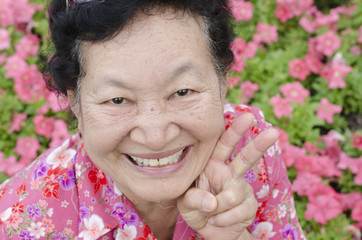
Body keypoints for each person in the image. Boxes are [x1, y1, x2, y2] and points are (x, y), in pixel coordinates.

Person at [0, 0, 306, 239]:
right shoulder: (20, 222)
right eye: (117, 100)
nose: (156, 136)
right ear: (74, 101)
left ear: (223, 78)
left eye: (183, 91)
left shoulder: (249, 151)